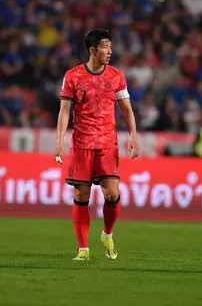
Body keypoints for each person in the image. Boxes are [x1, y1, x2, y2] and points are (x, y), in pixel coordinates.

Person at [55, 29, 139, 261]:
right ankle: (83, 249)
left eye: (110, 46)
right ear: (93, 50)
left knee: (112, 193)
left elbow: (127, 110)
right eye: (105, 46)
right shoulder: (72, 76)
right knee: (82, 195)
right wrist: (59, 141)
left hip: (106, 143)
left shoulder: (116, 76)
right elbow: (64, 111)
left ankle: (107, 234)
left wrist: (133, 136)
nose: (110, 51)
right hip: (82, 143)